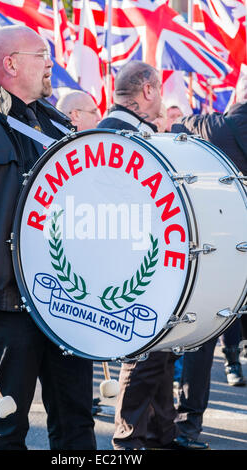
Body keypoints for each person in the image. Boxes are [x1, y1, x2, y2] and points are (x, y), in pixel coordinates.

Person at [0, 25, 96, 451]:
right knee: (5, 426)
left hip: (70, 300)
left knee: (76, 424)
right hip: (9, 302)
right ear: (10, 63)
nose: (51, 63)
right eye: (41, 54)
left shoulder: (60, 128)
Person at [97, 61, 184, 450]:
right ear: (148, 90)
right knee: (144, 357)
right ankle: (126, 444)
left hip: (151, 267)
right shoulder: (113, 135)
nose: (162, 100)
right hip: (129, 271)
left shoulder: (130, 133)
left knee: (160, 359)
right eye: (160, 91)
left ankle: (161, 438)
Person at [171, 73, 247, 448]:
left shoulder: (218, 125)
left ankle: (187, 427)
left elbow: (178, 126)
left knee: (202, 334)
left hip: (225, 248)